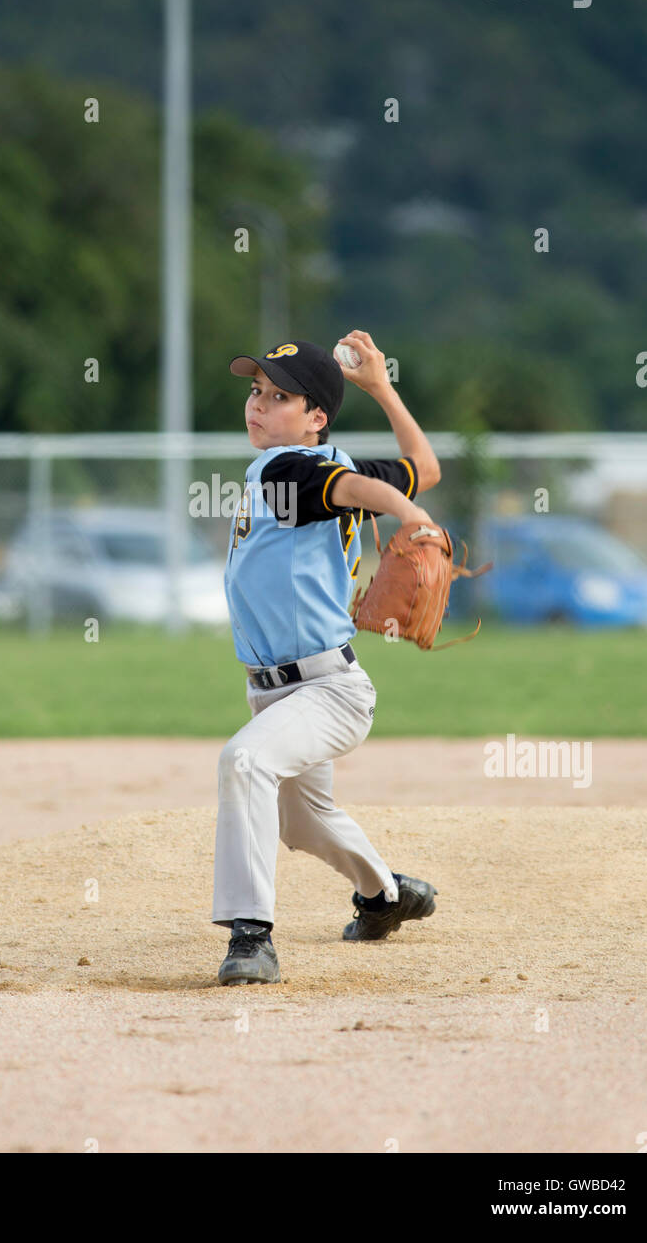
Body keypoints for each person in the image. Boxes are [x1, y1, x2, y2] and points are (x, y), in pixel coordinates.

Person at [214, 332, 440, 986]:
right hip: (279, 693)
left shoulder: (291, 469)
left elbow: (349, 491)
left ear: (315, 417)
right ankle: (383, 896)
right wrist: (383, 389)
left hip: (326, 692)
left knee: (244, 762)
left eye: (279, 396)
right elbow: (424, 463)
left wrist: (408, 514)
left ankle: (251, 937)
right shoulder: (325, 464)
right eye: (256, 391)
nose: (258, 404)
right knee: (303, 824)